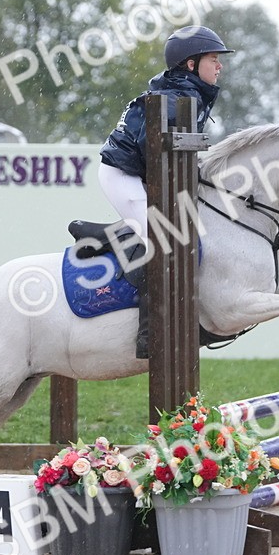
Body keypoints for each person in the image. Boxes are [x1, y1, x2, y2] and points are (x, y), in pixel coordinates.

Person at [98, 25, 234, 359]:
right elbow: (151, 151)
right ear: (190, 64)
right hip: (124, 176)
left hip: (144, 174)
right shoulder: (175, 100)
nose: (219, 66)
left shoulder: (190, 95)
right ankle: (149, 330)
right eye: (213, 59)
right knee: (162, 240)